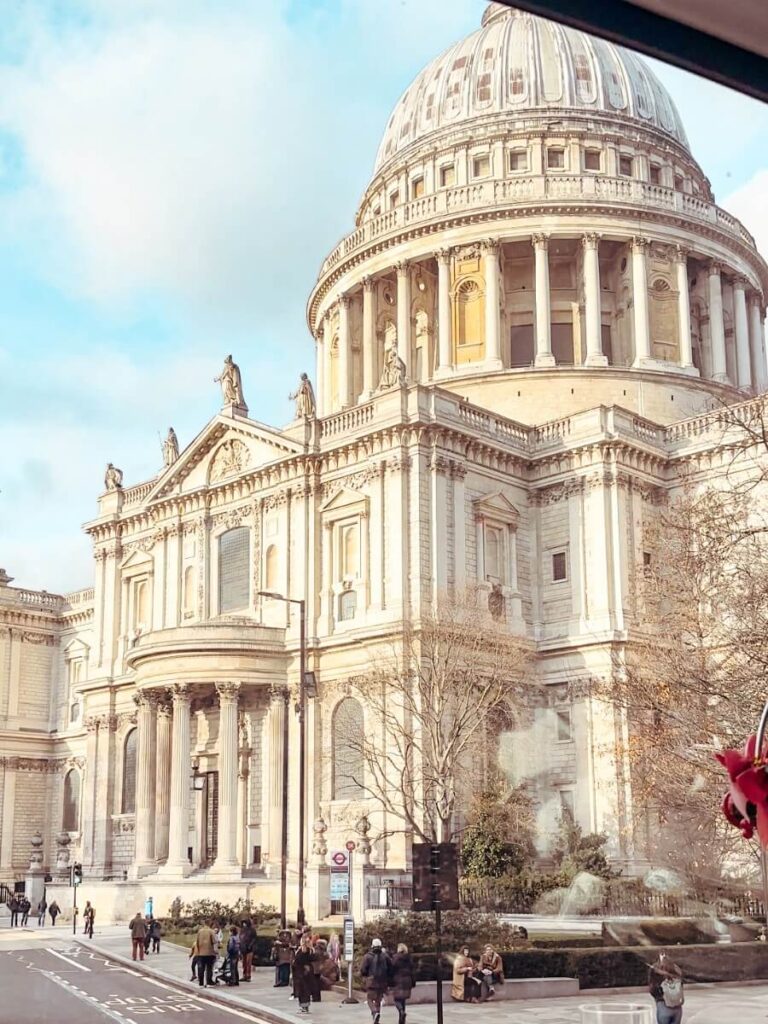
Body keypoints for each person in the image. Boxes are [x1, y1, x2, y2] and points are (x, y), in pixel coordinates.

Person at [360, 937, 392, 1024]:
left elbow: (363, 970)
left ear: (372, 946)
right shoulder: (385, 956)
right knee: (378, 999)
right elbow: (390, 968)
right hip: (382, 982)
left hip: (371, 981)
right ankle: (377, 1017)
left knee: (369, 999)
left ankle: (374, 1012)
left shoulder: (367, 956)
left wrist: (365, 976)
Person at [649, 952, 684, 1024]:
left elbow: (652, 988)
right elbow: (681, 985)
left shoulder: (655, 969)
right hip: (677, 1007)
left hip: (663, 1004)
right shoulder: (677, 969)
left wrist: (657, 997)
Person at [391, 942, 416, 1024]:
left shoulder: (395, 957)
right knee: (403, 1000)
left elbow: (392, 969)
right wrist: (413, 982)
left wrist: (390, 981)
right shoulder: (409, 958)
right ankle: (402, 1020)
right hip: (407, 981)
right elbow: (412, 971)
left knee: (396, 999)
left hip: (398, 980)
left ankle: (401, 1011)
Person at [292, 933, 316, 1015]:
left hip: (302, 972)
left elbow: (299, 961)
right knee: (305, 990)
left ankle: (304, 1007)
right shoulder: (310, 950)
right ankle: (305, 1006)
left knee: (303, 990)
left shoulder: (304, 951)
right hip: (304, 972)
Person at [194, 919, 217, 988]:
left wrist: (198, 950)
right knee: (209, 968)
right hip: (209, 952)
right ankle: (209, 982)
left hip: (201, 953)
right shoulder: (211, 931)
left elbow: (197, 941)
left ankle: (201, 983)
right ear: (210, 923)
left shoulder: (200, 931)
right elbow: (214, 942)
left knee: (201, 968)